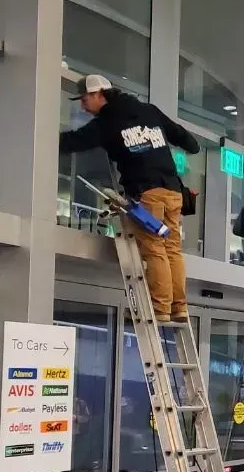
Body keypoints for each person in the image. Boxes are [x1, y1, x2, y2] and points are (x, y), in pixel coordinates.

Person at [59, 75, 200, 323]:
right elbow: (189, 142)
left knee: (155, 249)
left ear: (98, 94)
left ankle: (160, 309)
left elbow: (73, 142)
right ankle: (179, 307)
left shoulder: (106, 122)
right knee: (172, 250)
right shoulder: (148, 111)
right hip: (173, 191)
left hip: (148, 192)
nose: (82, 106)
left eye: (84, 99)